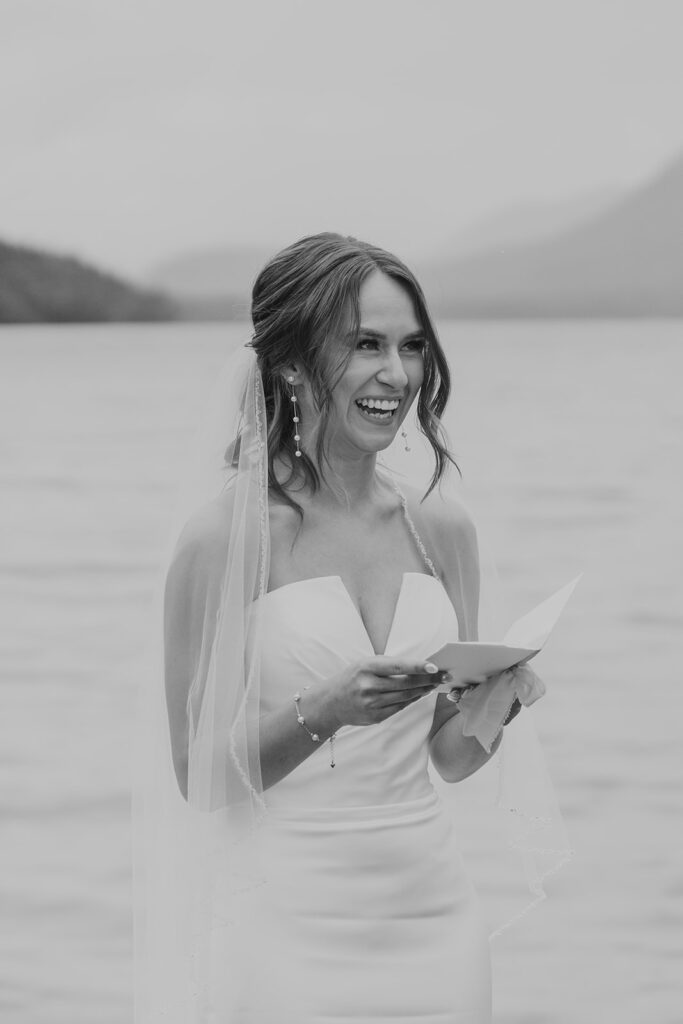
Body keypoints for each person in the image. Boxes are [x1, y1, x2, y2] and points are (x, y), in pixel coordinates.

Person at [134, 233, 566, 1024]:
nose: (396, 375)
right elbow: (198, 776)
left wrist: (497, 698)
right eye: (365, 345)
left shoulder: (443, 528)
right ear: (293, 365)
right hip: (285, 924)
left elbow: (448, 757)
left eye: (410, 347)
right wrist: (322, 711)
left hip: (436, 919)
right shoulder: (222, 540)